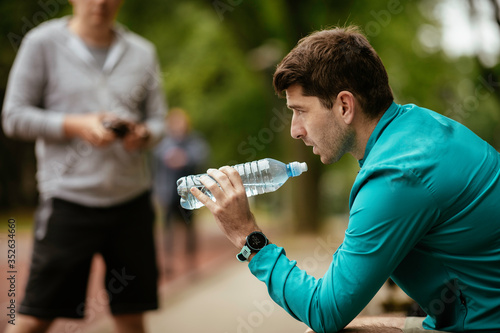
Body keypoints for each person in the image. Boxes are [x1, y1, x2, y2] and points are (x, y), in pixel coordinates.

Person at [191, 26, 500, 333]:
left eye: (301, 111)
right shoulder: (417, 127)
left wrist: (249, 238)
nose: (295, 130)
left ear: (344, 106)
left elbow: (324, 312)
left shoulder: (395, 176)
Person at [2, 0, 166, 332]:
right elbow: (14, 116)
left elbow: (159, 119)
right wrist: (77, 125)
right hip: (68, 201)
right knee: (35, 317)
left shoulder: (142, 51)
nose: (101, 3)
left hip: (131, 202)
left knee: (132, 315)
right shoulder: (41, 43)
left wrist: (144, 134)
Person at [153, 108, 209, 275]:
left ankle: (191, 263)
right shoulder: (164, 143)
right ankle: (168, 263)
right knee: (167, 230)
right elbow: (157, 162)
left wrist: (185, 158)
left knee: (189, 229)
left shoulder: (194, 141)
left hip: (189, 194)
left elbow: (201, 156)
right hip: (168, 194)